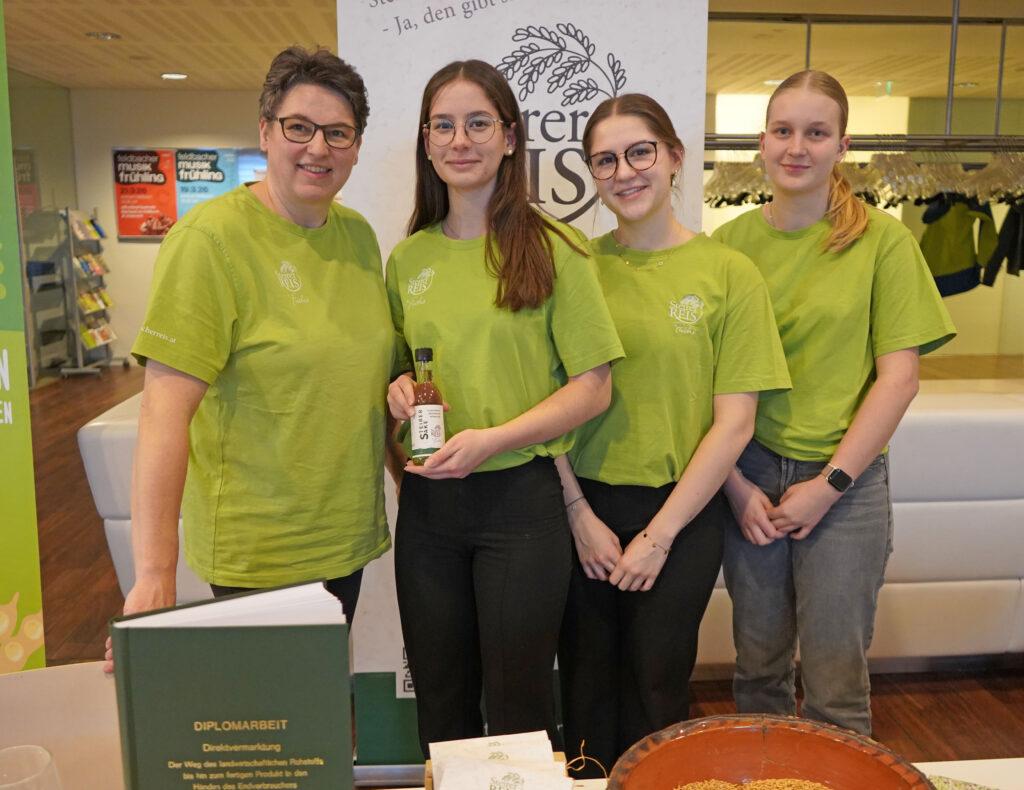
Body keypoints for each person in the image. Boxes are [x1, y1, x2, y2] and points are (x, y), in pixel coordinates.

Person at [107, 47, 394, 669]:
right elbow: (162, 415)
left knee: (320, 705)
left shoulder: (357, 237)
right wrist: (153, 574)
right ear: (265, 132)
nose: (317, 147)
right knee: (277, 720)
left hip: (344, 538)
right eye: (299, 127)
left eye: (338, 132)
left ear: (355, 147)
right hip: (260, 554)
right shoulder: (210, 240)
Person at [384, 59, 624, 755]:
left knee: (520, 707)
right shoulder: (408, 259)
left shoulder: (555, 250)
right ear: (427, 141)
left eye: (478, 123)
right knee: (442, 702)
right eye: (443, 125)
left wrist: (495, 439)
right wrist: (397, 390)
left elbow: (594, 386)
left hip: (521, 506)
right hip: (429, 511)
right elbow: (403, 370)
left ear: (511, 137)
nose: (460, 140)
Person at [712, 70, 956, 736]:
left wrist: (828, 486)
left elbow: (898, 381)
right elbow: (703, 387)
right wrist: (734, 487)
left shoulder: (883, 242)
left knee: (835, 688)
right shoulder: (726, 249)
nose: (797, 147)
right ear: (762, 141)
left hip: (846, 486)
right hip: (748, 479)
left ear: (842, 145)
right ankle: (769, 781)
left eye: (816, 133)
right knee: (757, 673)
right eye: (783, 131)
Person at [554, 94, 791, 775]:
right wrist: (578, 515)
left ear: (674, 157)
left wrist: (659, 535)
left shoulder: (728, 273)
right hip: (581, 508)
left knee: (657, 686)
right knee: (584, 688)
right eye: (605, 160)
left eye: (640, 152)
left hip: (683, 512)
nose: (624, 172)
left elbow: (735, 420)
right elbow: (546, 401)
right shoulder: (573, 265)